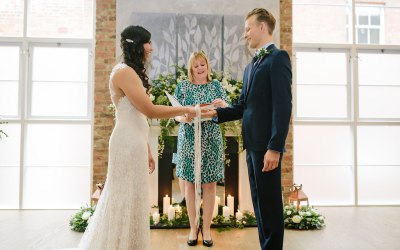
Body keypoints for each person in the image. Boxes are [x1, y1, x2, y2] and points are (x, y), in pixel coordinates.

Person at [77, 25, 197, 250]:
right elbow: (149, 110)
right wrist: (186, 110)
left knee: (134, 199)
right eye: (148, 42)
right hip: (126, 143)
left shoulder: (129, 72)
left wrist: (148, 150)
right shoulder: (123, 72)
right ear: (137, 45)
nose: (151, 48)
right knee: (123, 198)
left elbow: (139, 116)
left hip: (135, 142)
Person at [203, 8, 292, 250]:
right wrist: (215, 113)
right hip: (251, 145)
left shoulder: (278, 58)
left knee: (271, 206)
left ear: (262, 27)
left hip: (267, 147)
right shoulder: (251, 66)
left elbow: (283, 107)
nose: (245, 34)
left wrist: (275, 147)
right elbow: (243, 106)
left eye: (248, 28)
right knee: (260, 204)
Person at [174, 51, 229, 247]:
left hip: (211, 138)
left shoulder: (216, 86)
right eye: (195, 65)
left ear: (207, 65)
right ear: (191, 69)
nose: (199, 68)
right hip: (189, 138)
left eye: (202, 64)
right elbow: (175, 114)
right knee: (189, 185)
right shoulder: (183, 87)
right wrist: (183, 117)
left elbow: (226, 108)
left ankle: (206, 229)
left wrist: (222, 105)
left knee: (209, 185)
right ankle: (193, 227)